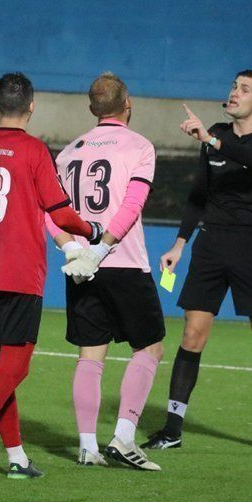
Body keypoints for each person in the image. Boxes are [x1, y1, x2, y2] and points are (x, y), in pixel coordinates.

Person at [0, 72, 103, 482]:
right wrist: (91, 231)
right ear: (31, 106)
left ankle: (16, 458)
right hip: (21, 274)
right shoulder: (33, 151)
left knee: (1, 369)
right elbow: (60, 213)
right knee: (16, 368)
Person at [142, 70, 252, 458]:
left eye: (244, 89)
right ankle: (173, 427)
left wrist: (212, 140)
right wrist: (180, 244)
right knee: (192, 336)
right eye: (233, 86)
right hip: (212, 245)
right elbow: (199, 194)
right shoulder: (215, 133)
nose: (234, 93)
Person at [45, 72, 164, 471]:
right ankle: (124, 438)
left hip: (83, 267)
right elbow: (132, 206)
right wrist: (101, 248)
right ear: (127, 104)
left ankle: (86, 446)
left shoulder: (68, 152)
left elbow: (52, 212)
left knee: (90, 355)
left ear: (92, 109)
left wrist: (73, 248)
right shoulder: (140, 147)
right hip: (123, 262)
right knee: (149, 348)